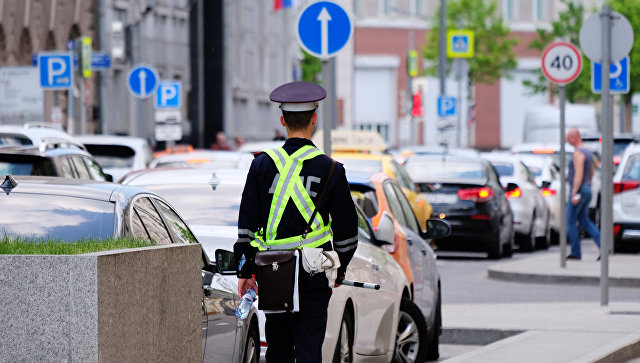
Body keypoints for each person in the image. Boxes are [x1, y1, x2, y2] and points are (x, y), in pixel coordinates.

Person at [233, 81, 358, 363]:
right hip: (314, 275)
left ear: (282, 120)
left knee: (277, 348)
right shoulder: (332, 169)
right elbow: (347, 233)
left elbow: (246, 227)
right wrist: (340, 268)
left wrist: (245, 271)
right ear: (314, 119)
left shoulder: (261, 165)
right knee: (310, 348)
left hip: (273, 271)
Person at [566, 127, 601, 260]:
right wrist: (588, 185)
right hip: (586, 188)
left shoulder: (578, 153)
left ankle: (576, 252)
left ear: (575, 137)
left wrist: (574, 192)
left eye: (568, 138)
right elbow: (591, 172)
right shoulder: (588, 152)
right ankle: (602, 246)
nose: (567, 140)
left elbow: (578, 174)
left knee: (570, 221)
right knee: (585, 221)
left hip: (579, 190)